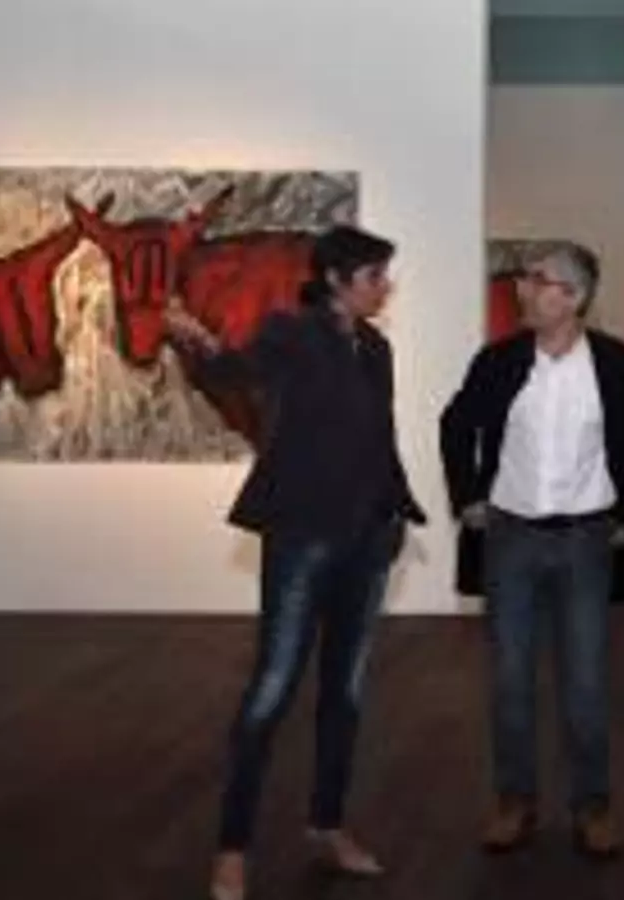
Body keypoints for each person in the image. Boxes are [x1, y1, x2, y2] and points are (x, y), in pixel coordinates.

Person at [163, 225, 425, 900]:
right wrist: (192, 339)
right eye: (374, 276)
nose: (384, 287)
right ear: (336, 279)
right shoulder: (291, 333)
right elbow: (233, 371)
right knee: (272, 690)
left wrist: (395, 512)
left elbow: (379, 437)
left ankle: (328, 826)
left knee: (345, 693)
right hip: (302, 537)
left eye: (384, 276)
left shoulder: (377, 348)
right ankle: (232, 849)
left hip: (368, 539)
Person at [439, 241, 624, 859]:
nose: (523, 289)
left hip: (587, 540)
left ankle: (593, 805)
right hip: (510, 538)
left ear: (575, 297)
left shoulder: (620, 367)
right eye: (525, 278)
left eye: (539, 280)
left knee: (586, 680)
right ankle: (514, 801)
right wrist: (468, 498)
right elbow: (455, 424)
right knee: (510, 679)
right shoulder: (499, 361)